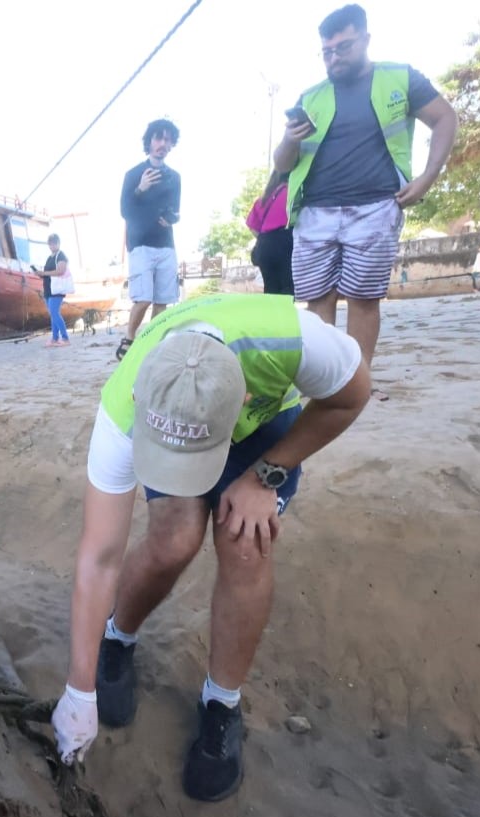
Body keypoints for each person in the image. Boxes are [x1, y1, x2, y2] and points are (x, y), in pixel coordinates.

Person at [51, 292, 370, 802]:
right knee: (173, 538)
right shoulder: (121, 409)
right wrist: (77, 688)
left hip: (266, 432)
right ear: (140, 399)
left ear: (242, 398)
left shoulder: (297, 337)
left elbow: (351, 397)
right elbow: (99, 557)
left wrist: (267, 473)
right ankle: (118, 638)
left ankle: (222, 702)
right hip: (176, 421)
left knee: (245, 543)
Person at [274, 4, 458, 393]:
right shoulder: (312, 95)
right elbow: (283, 164)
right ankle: (323, 378)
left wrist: (426, 178)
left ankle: (356, 382)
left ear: (366, 40)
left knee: (363, 298)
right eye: (327, 51)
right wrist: (289, 139)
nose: (334, 58)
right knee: (317, 300)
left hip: (375, 206)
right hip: (315, 211)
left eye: (343, 47)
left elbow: (445, 117)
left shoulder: (400, 77)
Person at [119, 119, 183, 357]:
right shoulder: (133, 174)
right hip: (140, 244)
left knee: (162, 300)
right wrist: (140, 188)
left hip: (166, 244)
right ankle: (129, 338)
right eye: (158, 138)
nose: (163, 144)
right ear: (150, 141)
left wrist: (172, 218)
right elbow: (125, 211)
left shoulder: (174, 177)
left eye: (167, 140)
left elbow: (175, 209)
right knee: (143, 298)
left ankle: (152, 343)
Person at [245, 172, 294, 296]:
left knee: (270, 288)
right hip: (285, 242)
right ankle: (284, 315)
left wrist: (266, 239)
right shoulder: (293, 194)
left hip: (265, 245)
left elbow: (253, 227)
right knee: (287, 287)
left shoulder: (263, 199)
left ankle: (271, 314)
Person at [39, 233, 74, 347]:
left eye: (54, 243)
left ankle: (65, 338)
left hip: (57, 290)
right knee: (53, 314)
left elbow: (60, 271)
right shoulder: (50, 258)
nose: (52, 246)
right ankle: (54, 338)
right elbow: (48, 274)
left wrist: (44, 273)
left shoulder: (61, 256)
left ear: (58, 243)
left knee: (54, 313)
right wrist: (40, 274)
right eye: (50, 244)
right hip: (49, 290)